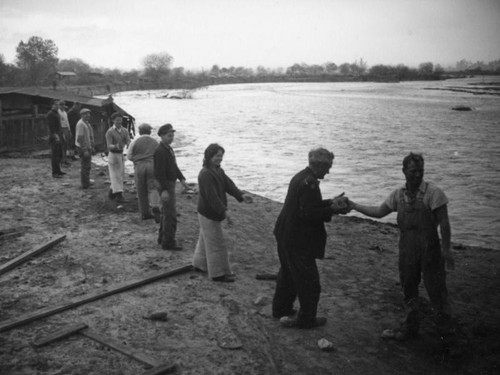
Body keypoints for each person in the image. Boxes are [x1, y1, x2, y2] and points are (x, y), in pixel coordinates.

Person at [348, 152, 455, 341]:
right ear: (404, 171)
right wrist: (354, 205)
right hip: (407, 251)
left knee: (437, 292)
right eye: (413, 171)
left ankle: (446, 336)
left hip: (430, 251)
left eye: (420, 171)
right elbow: (379, 212)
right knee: (409, 290)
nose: (417, 175)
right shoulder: (399, 194)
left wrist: (447, 250)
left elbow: (444, 223)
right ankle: (410, 328)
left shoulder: (434, 193)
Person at [272, 148, 350, 329]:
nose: (329, 171)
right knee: (310, 282)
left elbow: (307, 206)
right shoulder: (311, 184)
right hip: (297, 240)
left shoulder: (301, 177)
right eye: (328, 167)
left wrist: (329, 202)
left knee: (288, 273)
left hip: (284, 233)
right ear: (320, 166)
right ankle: (306, 319)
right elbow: (309, 214)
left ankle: (281, 309)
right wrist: (333, 209)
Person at [192, 143, 253, 282]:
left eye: (221, 156)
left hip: (208, 212)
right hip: (208, 213)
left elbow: (228, 185)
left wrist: (241, 196)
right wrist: (225, 212)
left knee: (205, 238)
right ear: (209, 157)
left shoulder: (218, 170)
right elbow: (212, 197)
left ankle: (199, 264)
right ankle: (218, 274)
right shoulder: (205, 174)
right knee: (216, 243)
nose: (219, 159)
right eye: (216, 156)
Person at [154, 123, 190, 251]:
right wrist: (164, 190)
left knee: (165, 212)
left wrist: (182, 178)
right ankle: (168, 242)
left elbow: (174, 166)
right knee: (170, 214)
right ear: (162, 136)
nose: (171, 138)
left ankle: (162, 238)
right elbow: (159, 173)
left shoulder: (168, 149)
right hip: (166, 184)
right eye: (169, 136)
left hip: (170, 182)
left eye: (172, 135)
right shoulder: (160, 151)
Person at [127, 123, 161, 221]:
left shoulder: (135, 141)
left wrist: (137, 160)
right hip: (152, 165)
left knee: (141, 190)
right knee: (153, 187)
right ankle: (155, 206)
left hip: (139, 166)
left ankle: (145, 213)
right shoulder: (154, 141)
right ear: (149, 131)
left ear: (139, 131)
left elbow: (129, 156)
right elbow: (159, 155)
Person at [105, 112, 130, 203]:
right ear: (113, 121)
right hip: (113, 155)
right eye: (117, 120)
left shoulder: (124, 130)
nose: (119, 122)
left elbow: (128, 139)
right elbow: (109, 145)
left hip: (120, 154)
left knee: (121, 174)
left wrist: (128, 144)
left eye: (120, 120)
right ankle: (119, 195)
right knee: (115, 175)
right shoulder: (110, 132)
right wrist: (115, 146)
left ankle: (112, 193)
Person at [74, 108, 95, 189]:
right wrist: (85, 149)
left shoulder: (86, 123)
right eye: (85, 114)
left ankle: (87, 180)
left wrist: (92, 146)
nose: (87, 115)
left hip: (87, 146)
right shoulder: (81, 124)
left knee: (88, 165)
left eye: (88, 114)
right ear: (81, 115)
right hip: (83, 147)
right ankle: (85, 184)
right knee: (85, 165)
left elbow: (89, 136)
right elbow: (80, 138)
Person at [46, 101, 65, 178]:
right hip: (54, 135)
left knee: (59, 154)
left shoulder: (56, 113)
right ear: (52, 105)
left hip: (59, 134)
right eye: (56, 105)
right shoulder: (50, 114)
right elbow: (51, 127)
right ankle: (55, 172)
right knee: (55, 154)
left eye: (58, 105)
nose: (57, 106)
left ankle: (58, 170)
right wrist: (55, 135)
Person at [57, 100, 72, 165]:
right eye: (61, 105)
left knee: (66, 144)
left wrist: (69, 130)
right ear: (59, 106)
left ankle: (65, 158)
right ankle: (62, 159)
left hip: (66, 128)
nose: (62, 106)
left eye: (63, 105)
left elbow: (67, 122)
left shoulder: (65, 113)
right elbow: (59, 122)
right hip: (62, 129)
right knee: (62, 144)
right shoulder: (58, 112)